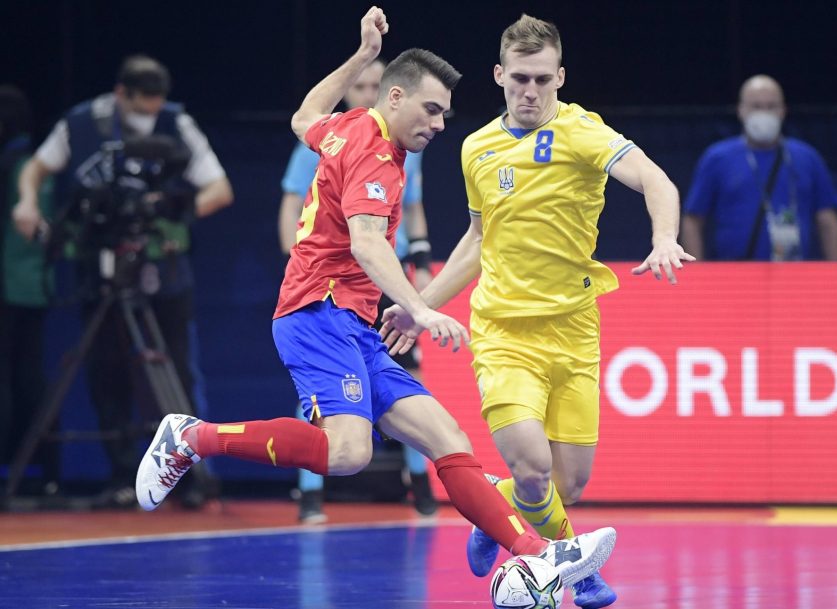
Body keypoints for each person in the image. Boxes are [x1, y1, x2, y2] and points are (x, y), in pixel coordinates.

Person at [136, 7, 615, 588]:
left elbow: (302, 116)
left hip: (353, 324)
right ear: (395, 98)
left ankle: (534, 553)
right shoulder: (378, 158)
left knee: (448, 439)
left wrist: (361, 55)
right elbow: (366, 243)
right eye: (431, 110)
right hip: (317, 313)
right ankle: (190, 438)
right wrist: (419, 309)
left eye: (445, 113)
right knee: (347, 453)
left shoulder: (347, 125)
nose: (440, 124)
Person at [380, 14, 692, 609]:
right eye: (519, 78)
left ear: (560, 78)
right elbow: (478, 241)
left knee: (567, 483)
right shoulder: (476, 147)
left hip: (573, 329)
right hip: (502, 331)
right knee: (530, 464)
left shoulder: (585, 134)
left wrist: (663, 238)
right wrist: (419, 305)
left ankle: (489, 508)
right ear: (499, 75)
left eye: (543, 79)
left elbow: (655, 181)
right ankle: (575, 570)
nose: (530, 91)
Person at [12, 55, 234, 508]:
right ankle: (120, 476)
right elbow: (36, 168)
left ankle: (185, 477)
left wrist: (167, 209)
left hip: (162, 267)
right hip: (99, 264)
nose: (147, 117)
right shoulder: (80, 123)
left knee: (172, 369)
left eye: (155, 108)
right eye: (140, 108)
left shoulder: (177, 124)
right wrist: (27, 202)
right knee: (104, 371)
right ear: (121, 95)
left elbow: (219, 189)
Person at [278, 59, 437, 522]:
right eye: (360, 85)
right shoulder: (334, 137)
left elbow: (415, 207)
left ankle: (422, 485)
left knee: (406, 378)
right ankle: (310, 495)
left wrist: (421, 267)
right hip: (332, 285)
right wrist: (300, 263)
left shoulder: (408, 143)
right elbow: (293, 203)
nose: (367, 93)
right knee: (321, 390)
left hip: (387, 281)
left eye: (375, 85)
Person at [680, 74, 837, 261]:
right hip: (734, 274)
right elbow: (693, 220)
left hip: (794, 271)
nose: (764, 113)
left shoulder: (807, 157)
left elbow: (828, 221)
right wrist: (696, 276)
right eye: (756, 107)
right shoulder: (717, 158)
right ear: (740, 110)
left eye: (771, 106)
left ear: (783, 110)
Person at [0, 85, 59, 497]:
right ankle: (43, 471)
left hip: (20, 288)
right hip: (24, 287)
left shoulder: (23, 166)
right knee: (24, 377)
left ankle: (37, 470)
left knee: (22, 379)